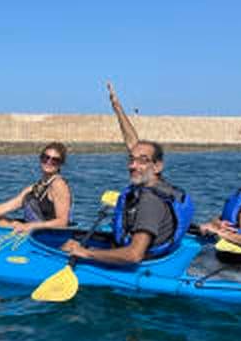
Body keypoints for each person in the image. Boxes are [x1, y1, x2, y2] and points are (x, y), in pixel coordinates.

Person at [62, 82, 194, 264]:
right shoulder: (155, 185)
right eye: (131, 159)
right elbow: (133, 143)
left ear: (157, 167)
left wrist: (85, 252)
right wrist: (117, 107)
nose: (133, 165)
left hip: (142, 264)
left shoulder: (149, 201)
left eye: (142, 161)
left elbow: (134, 255)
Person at [0, 142, 72, 234]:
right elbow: (8, 206)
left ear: (60, 164)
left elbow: (62, 222)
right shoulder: (35, 187)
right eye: (46, 157)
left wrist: (29, 226)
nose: (49, 162)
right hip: (32, 231)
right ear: (40, 158)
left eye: (55, 160)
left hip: (48, 236)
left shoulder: (59, 185)